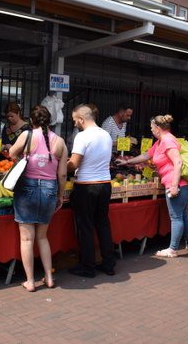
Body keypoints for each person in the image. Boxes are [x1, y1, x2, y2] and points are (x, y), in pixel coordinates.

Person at [116, 114, 188, 257]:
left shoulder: (167, 141)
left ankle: (172, 249)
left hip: (177, 183)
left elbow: (178, 162)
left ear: (158, 128)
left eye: (152, 128)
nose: (151, 130)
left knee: (176, 217)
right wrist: (127, 162)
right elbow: (146, 155)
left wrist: (174, 185)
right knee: (183, 214)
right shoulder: (160, 142)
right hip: (181, 183)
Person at [9, 105, 68, 292]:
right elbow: (63, 175)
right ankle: (49, 277)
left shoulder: (26, 136)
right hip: (50, 189)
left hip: (27, 187)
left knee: (27, 239)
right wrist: (60, 195)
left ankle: (30, 281)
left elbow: (11, 153)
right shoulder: (60, 141)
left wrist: (23, 158)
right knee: (42, 237)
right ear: (49, 121)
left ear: (31, 121)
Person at [67, 104, 116, 278]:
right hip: (105, 184)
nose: (74, 124)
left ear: (81, 119)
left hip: (86, 186)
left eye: (75, 120)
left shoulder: (82, 136)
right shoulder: (106, 135)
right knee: (103, 223)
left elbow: (74, 164)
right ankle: (108, 264)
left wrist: (60, 166)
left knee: (85, 227)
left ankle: (87, 267)